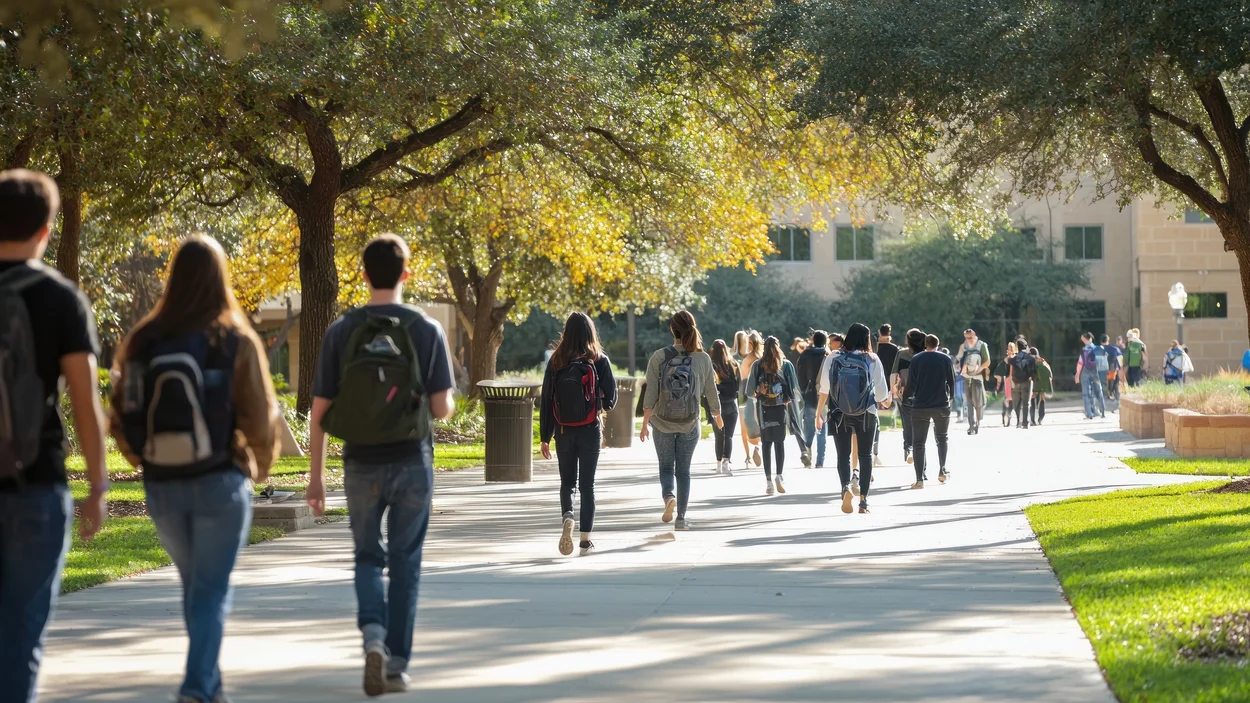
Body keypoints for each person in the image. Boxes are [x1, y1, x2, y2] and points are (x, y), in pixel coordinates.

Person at [110, 236, 280, 703]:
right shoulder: (233, 338)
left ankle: (211, 687)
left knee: (197, 589)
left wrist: (141, 458)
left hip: (163, 486)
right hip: (219, 482)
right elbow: (260, 416)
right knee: (208, 591)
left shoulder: (143, 340)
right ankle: (195, 690)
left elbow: (119, 412)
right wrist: (259, 467)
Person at [307, 234, 457, 697]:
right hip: (412, 461)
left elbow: (319, 413)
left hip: (360, 464)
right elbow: (441, 408)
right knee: (405, 562)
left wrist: (316, 479)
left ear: (364, 274)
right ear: (406, 274)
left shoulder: (340, 331)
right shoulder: (426, 329)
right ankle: (395, 664)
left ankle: (372, 636)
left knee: (367, 556)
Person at [0, 170, 109, 703]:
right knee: (21, 634)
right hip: (36, 483)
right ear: (46, 229)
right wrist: (98, 485)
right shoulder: (61, 298)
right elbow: (86, 404)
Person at [539, 312, 618, 557]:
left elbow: (546, 399)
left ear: (567, 332)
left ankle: (567, 516)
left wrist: (545, 435)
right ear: (590, 332)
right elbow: (612, 401)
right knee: (587, 485)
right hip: (590, 429)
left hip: (563, 429)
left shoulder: (556, 361)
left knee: (567, 483)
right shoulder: (599, 359)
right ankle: (584, 540)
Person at [640, 310, 722, 530]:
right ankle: (681, 519)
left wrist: (645, 422)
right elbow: (711, 391)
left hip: (662, 422)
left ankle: (669, 498)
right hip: (689, 423)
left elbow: (650, 394)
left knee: (666, 467)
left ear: (672, 329)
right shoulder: (703, 358)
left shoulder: (659, 356)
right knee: (683, 471)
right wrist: (717, 415)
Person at [815, 323, 891, 514]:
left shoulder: (833, 356)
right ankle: (864, 501)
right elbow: (881, 395)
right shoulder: (872, 359)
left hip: (839, 412)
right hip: (866, 413)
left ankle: (845, 488)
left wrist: (819, 413)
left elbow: (824, 387)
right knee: (865, 456)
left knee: (843, 455)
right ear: (867, 339)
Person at [749, 336, 802, 495]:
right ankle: (779, 475)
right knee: (779, 442)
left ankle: (768, 482)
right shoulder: (786, 365)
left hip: (763, 410)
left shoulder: (757, 365)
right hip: (780, 409)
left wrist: (761, 393)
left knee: (766, 444)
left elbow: (749, 391)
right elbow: (794, 391)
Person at [903, 334, 955, 488]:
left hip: (920, 406)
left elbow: (911, 383)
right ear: (938, 344)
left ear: (925, 344)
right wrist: (950, 398)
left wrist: (907, 400)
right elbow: (951, 381)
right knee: (942, 438)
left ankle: (919, 479)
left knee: (918, 443)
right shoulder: (945, 359)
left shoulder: (917, 359)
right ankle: (942, 470)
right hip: (940, 404)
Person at [796, 330, 831, 467]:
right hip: (825, 396)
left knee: (809, 426)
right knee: (822, 429)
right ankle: (820, 462)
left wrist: (804, 391)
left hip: (810, 394)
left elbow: (800, 376)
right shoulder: (828, 355)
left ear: (813, 340)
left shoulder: (805, 354)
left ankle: (807, 454)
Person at [891, 328, 925, 465]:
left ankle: (908, 448)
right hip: (923, 393)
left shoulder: (901, 354)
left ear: (907, 340)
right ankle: (920, 456)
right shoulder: (925, 354)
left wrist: (893, 392)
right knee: (921, 425)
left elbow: (894, 373)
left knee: (907, 423)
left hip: (904, 393)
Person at [708, 339, 740, 476]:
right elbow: (738, 385)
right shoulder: (733, 364)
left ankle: (718, 464)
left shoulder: (710, 365)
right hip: (731, 404)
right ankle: (727, 461)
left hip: (716, 405)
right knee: (729, 436)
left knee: (718, 435)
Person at [953, 329, 990, 435]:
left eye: (970, 337)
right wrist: (957, 363)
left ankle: (977, 422)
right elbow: (958, 358)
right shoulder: (963, 346)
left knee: (978, 403)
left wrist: (979, 370)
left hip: (978, 377)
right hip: (966, 377)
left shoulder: (982, 345)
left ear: (974, 335)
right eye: (966, 337)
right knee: (968, 402)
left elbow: (987, 361)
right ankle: (971, 425)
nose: (968, 339)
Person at [737, 329, 764, 469]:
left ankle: (748, 454)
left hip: (745, 393)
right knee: (760, 422)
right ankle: (760, 447)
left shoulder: (748, 359)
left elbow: (742, 377)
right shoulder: (763, 357)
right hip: (761, 393)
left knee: (744, 425)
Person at [873, 325, 898, 467]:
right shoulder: (894, 349)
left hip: (874, 383)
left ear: (878, 332)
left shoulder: (874, 349)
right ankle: (874, 453)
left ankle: (874, 452)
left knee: (873, 418)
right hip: (888, 383)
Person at [1074, 332, 1107, 419]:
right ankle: (1102, 411)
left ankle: (1089, 413)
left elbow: (1080, 363)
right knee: (1098, 392)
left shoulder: (1084, 350)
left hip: (1085, 371)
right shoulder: (1097, 349)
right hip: (1095, 371)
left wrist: (1077, 374)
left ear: (1085, 339)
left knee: (1086, 393)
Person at [1009, 338, 1038, 428]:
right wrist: (1031, 377)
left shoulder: (1013, 359)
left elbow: (1010, 370)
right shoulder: (1031, 358)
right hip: (1027, 382)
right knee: (1026, 403)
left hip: (1015, 382)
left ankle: (1019, 420)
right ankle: (1025, 422)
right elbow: (1034, 371)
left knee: (1016, 404)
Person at [995, 343, 1017, 427]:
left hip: (1008, 381)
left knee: (1007, 399)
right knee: (1010, 399)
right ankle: (1007, 415)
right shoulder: (1015, 359)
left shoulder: (1006, 360)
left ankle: (1005, 415)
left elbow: (998, 372)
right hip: (1012, 381)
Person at [1030, 347, 1053, 426]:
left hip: (1035, 382)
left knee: (1033, 398)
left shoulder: (1031, 361)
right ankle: (1040, 418)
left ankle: (1032, 419)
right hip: (1043, 383)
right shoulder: (1043, 361)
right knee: (1042, 398)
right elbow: (1050, 374)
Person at [1100, 333, 1123, 411]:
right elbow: (1120, 359)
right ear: (1108, 340)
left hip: (1101, 372)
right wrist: (1121, 369)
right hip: (1112, 371)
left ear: (1101, 341)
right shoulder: (1114, 349)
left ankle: (1100, 407)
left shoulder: (1097, 349)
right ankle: (1117, 404)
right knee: (1115, 386)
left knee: (1101, 389)